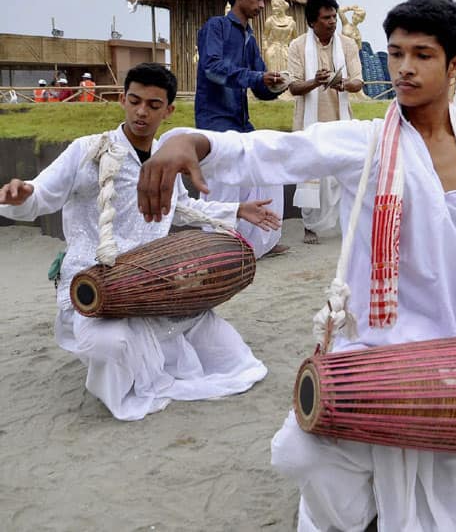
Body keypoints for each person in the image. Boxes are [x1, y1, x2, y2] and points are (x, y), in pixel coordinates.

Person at [136, 0, 456, 531]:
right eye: (395, 54)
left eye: (422, 54)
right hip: (379, 354)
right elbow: (276, 151)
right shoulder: (366, 144)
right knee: (301, 453)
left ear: (455, 65)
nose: (405, 68)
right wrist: (192, 139)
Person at [0, 63, 274, 420]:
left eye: (153, 104)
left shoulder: (165, 157)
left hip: (153, 283)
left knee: (235, 359)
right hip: (95, 284)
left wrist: (237, 209)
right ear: (123, 101)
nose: (142, 112)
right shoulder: (89, 150)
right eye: (134, 101)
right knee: (113, 345)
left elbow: (181, 208)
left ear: (169, 110)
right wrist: (23, 195)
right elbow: (44, 192)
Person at [194, 0, 288, 258]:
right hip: (215, 123)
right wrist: (255, 78)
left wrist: (277, 85)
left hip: (241, 123)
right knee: (222, 188)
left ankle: (258, 242)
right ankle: (217, 249)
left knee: (267, 169)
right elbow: (212, 68)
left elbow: (259, 85)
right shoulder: (216, 27)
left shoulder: (249, 37)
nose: (262, 6)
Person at [287, 0, 364, 245]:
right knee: (311, 173)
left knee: (343, 174)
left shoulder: (347, 44)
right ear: (312, 22)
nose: (332, 22)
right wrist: (315, 82)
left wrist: (341, 83)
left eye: (334, 16)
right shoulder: (298, 46)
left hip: (340, 121)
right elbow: (294, 87)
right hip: (309, 123)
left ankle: (346, 223)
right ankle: (310, 226)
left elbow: (358, 81)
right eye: (326, 18)